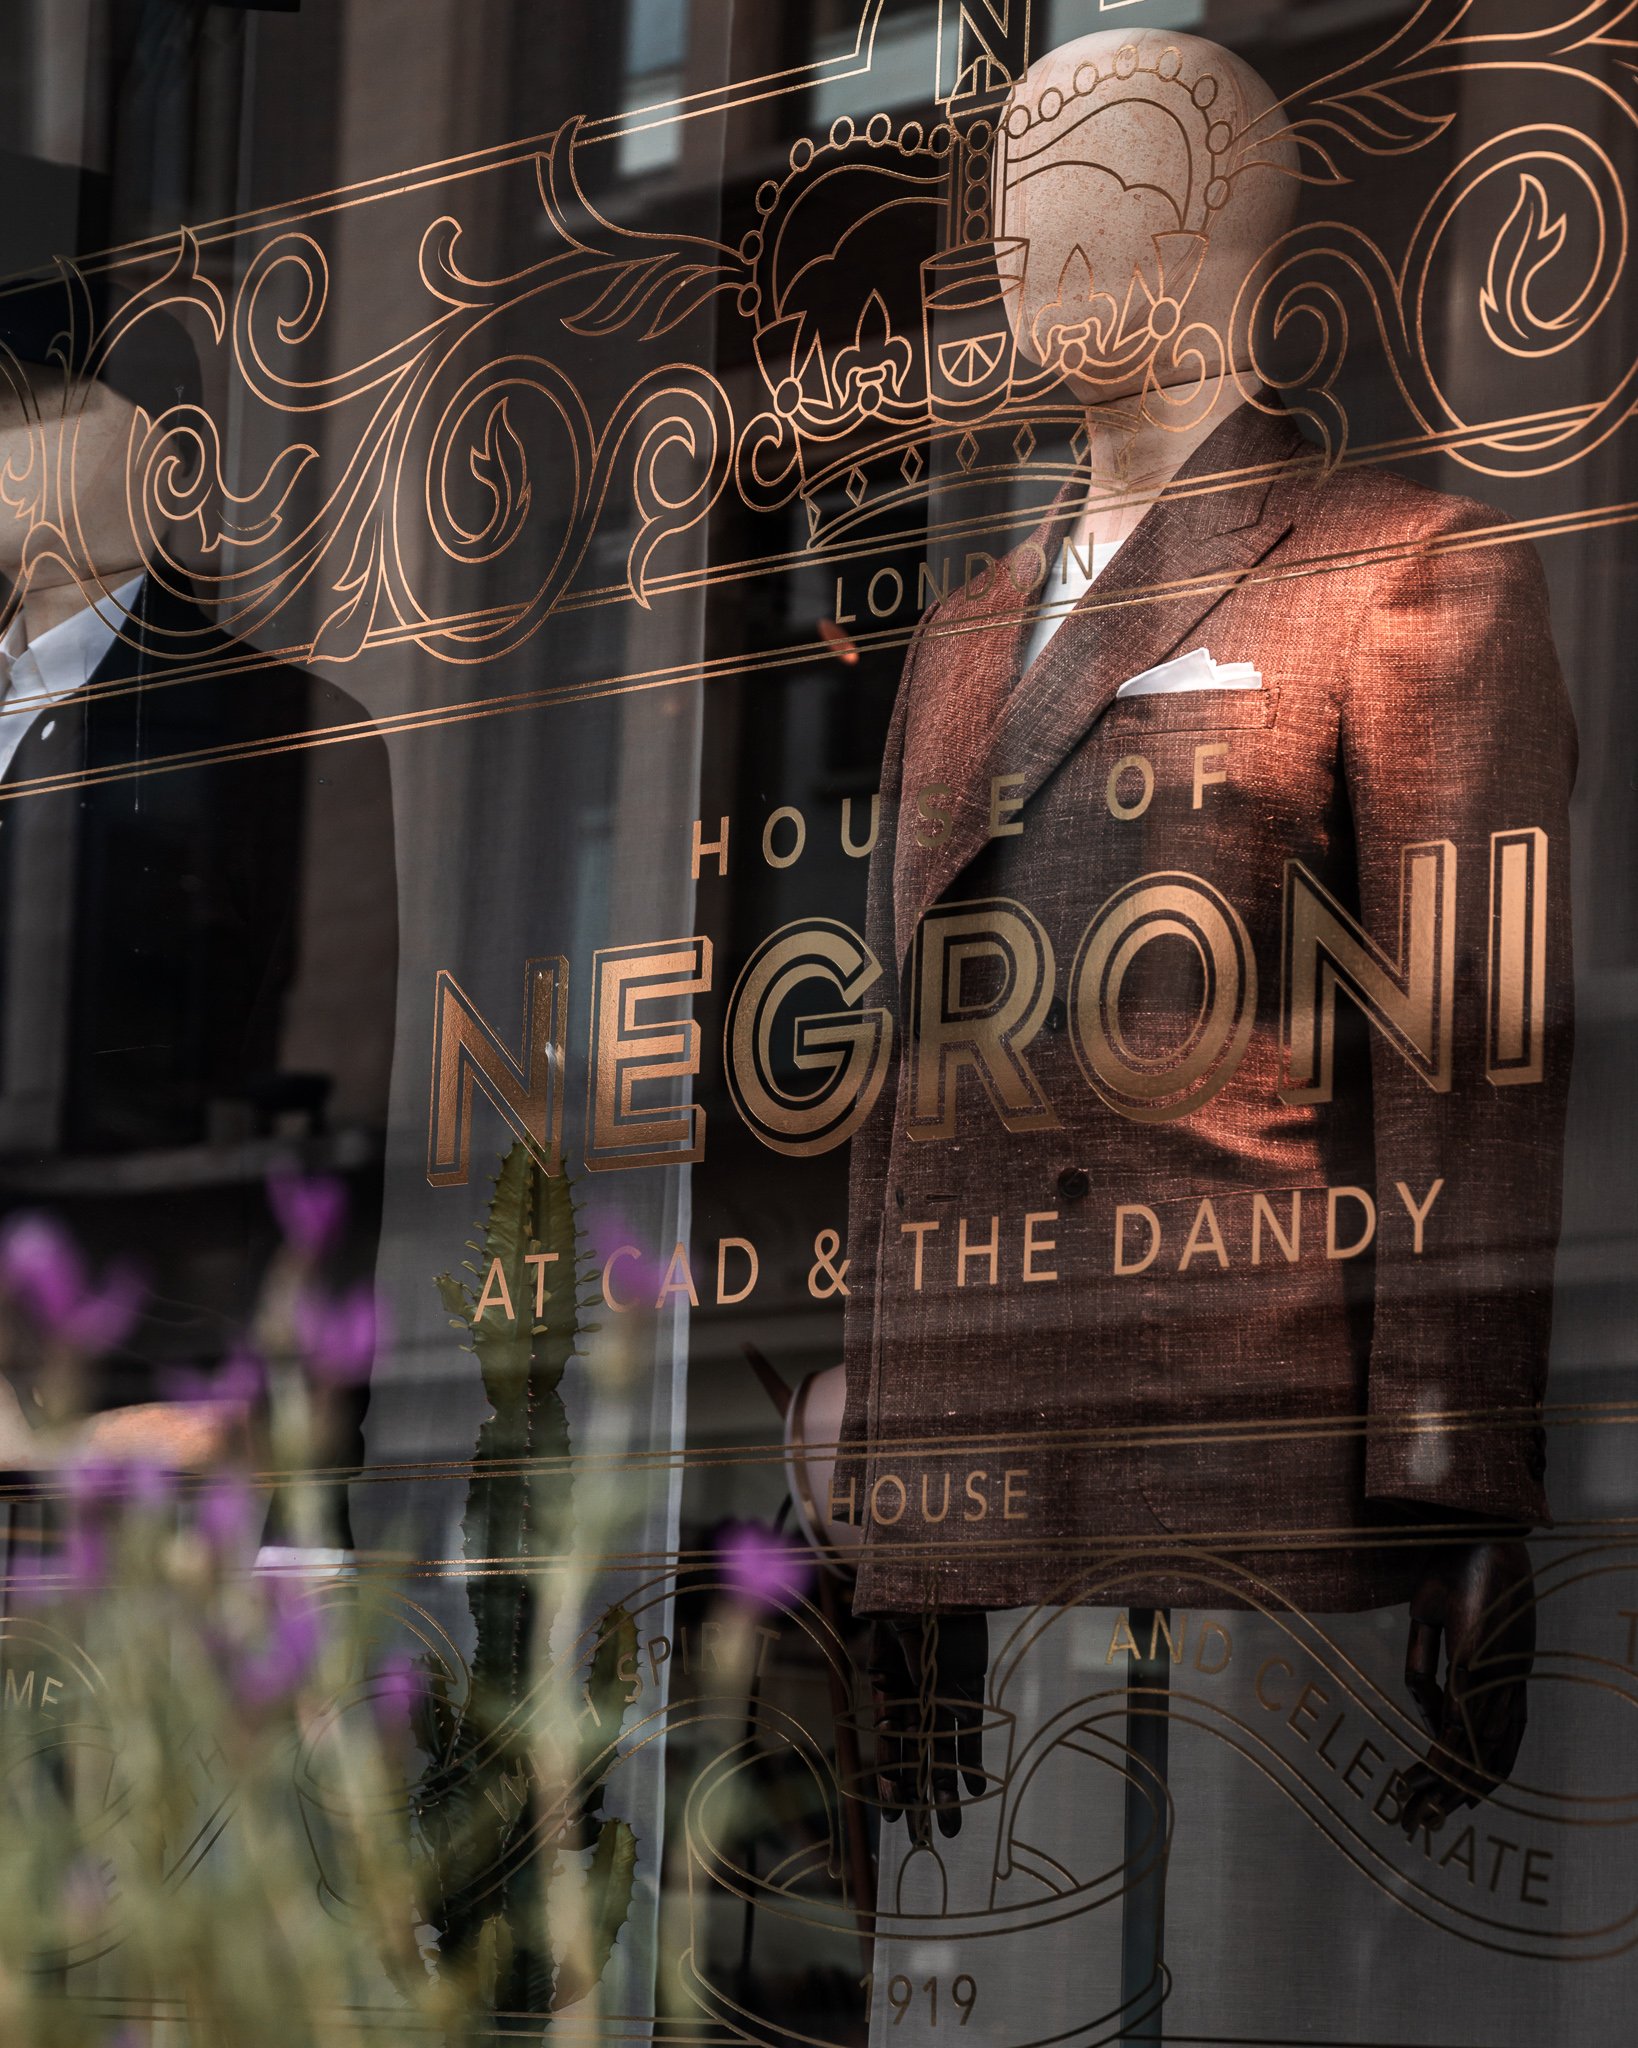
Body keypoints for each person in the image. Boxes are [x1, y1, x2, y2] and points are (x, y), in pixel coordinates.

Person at [836, 27, 1576, 2034]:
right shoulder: (969, 626)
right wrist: (893, 1496)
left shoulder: (1400, 571)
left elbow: (1471, 1055)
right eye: (1003, 199)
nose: (1014, 243)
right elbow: (907, 1092)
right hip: (997, 1499)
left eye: (1067, 197)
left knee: (1245, 1988)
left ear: (1205, 233)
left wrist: (1460, 1489)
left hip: (1255, 1483)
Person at [0, 274, 398, 1497]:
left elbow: (326, 1124)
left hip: (143, 1414)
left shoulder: (282, 728)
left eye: (48, 403)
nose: (9, 443)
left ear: (159, 448)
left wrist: (274, 1431)